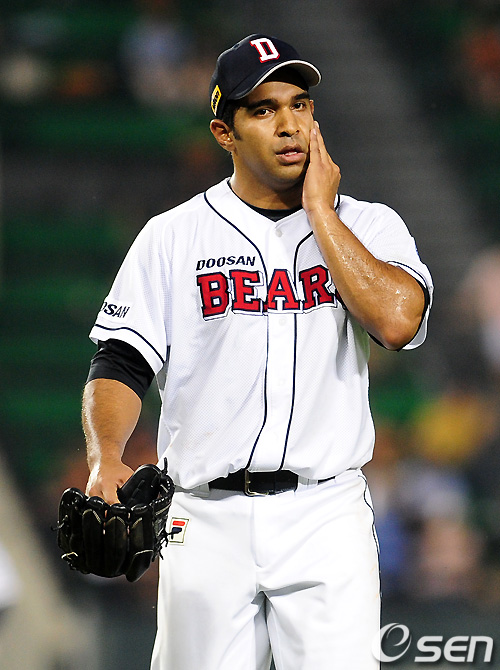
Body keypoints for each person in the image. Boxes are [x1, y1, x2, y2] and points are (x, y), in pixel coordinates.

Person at [83, 33, 433, 670]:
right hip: (204, 515)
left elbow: (397, 321)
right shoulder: (172, 236)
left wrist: (321, 213)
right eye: (264, 109)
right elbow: (121, 361)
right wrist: (106, 457)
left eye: (300, 104)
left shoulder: (368, 224)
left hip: (325, 512)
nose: (289, 124)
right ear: (225, 132)